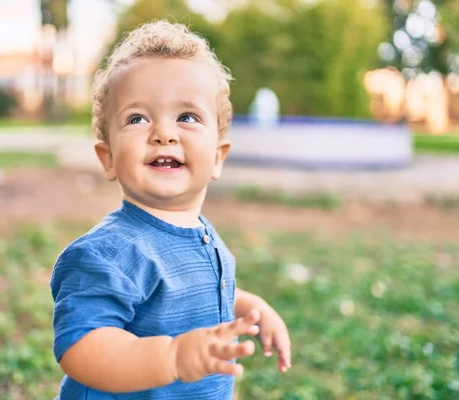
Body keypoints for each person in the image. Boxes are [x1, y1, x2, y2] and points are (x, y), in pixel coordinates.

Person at [50, 20, 291, 400]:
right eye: (137, 118)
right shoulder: (108, 253)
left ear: (217, 157)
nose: (164, 133)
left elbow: (194, 291)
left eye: (187, 117)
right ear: (108, 158)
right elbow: (81, 348)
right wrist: (172, 357)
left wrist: (250, 306)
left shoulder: (202, 234)